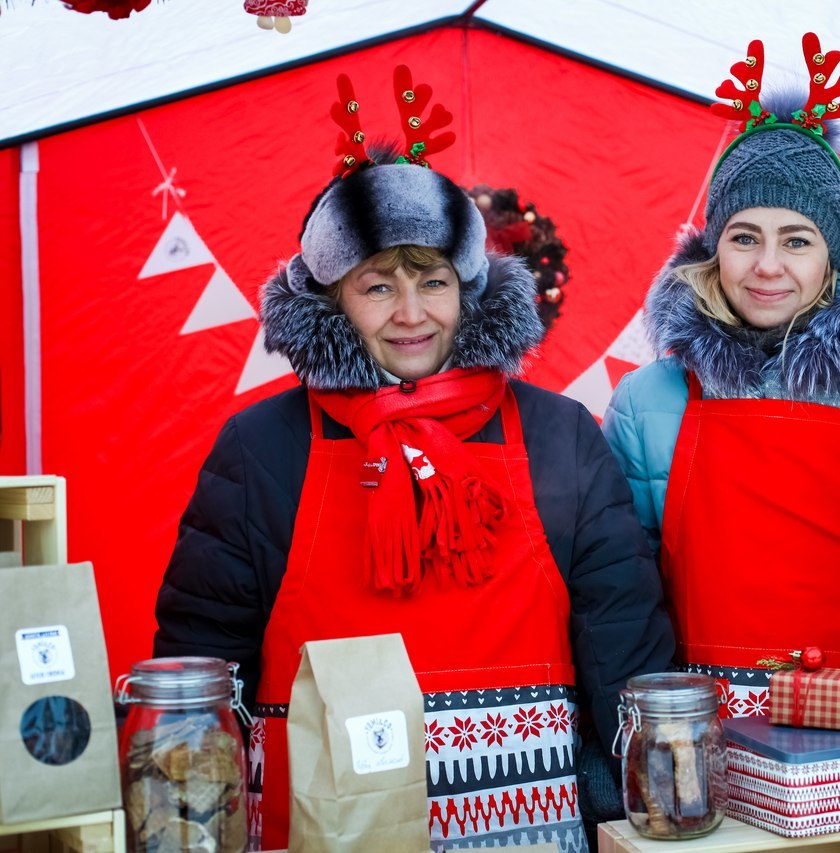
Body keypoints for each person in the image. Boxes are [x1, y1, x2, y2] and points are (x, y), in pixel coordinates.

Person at [154, 67, 673, 853]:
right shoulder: (262, 449)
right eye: (377, 286)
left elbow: (624, 646)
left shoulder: (560, 435)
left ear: (468, 290)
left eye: (433, 282)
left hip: (528, 831)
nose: (411, 314)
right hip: (322, 828)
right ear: (331, 298)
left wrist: (628, 803)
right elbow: (203, 661)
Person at [602, 34, 840, 717]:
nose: (768, 266)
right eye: (744, 237)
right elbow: (625, 600)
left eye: (797, 240)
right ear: (712, 248)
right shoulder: (647, 401)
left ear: (835, 256)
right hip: (712, 741)